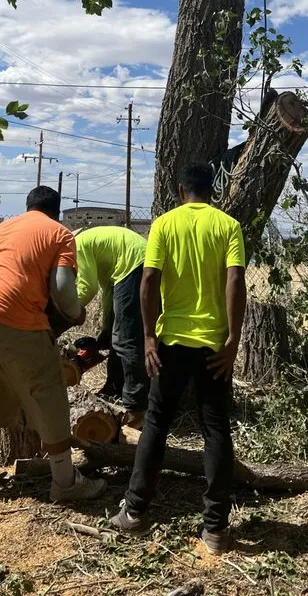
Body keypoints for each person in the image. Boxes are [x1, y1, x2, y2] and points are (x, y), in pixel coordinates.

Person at [110, 163, 246, 554]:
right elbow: (235, 280)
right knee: (216, 429)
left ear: (180, 189)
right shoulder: (227, 226)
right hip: (213, 347)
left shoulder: (164, 225)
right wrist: (233, 340)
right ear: (212, 189)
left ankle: (134, 513)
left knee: (156, 423)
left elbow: (149, 280)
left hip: (170, 342)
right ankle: (216, 529)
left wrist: (149, 337)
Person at [0, 186, 106, 508]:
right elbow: (63, 289)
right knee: (48, 393)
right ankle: (65, 482)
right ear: (56, 209)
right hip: (13, 320)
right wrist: (77, 312)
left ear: (28, 206)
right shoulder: (60, 233)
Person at [75, 226, 149, 428]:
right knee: (120, 335)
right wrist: (106, 328)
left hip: (135, 265)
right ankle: (114, 389)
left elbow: (86, 288)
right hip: (135, 264)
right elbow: (108, 289)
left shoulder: (77, 246)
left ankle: (136, 407)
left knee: (127, 340)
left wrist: (66, 313)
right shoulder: (94, 247)